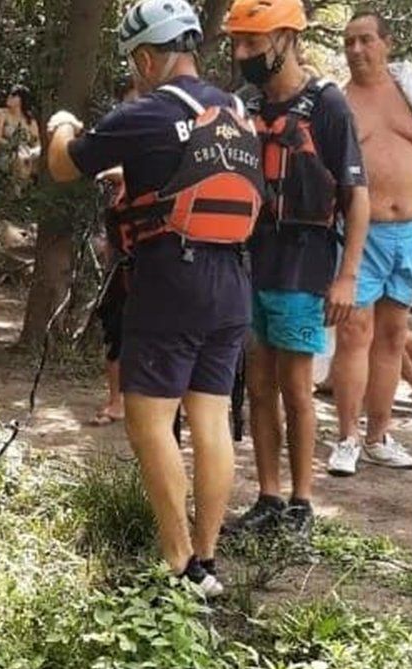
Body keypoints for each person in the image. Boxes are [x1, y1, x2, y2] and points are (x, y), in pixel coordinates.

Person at [47, 0, 263, 596]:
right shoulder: (237, 112)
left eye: (132, 62)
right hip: (232, 279)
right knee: (211, 418)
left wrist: (61, 123)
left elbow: (64, 165)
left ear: (145, 57)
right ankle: (208, 561)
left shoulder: (147, 111)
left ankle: (179, 563)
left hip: (171, 280)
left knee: (149, 422)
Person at [223, 0, 370, 536]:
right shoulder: (244, 105)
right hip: (250, 260)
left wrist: (347, 275)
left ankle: (302, 502)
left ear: (285, 38)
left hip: (304, 264)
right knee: (258, 385)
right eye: (237, 43)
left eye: (252, 42)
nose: (243, 53)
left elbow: (356, 196)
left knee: (296, 385)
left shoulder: (326, 104)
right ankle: (268, 497)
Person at [327, 9, 412, 477]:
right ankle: (347, 437)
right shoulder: (340, 104)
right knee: (353, 333)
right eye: (349, 42)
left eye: (366, 40)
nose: (356, 49)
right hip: (361, 232)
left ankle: (379, 437)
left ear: (388, 43)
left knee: (392, 334)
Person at [89, 78, 140, 427]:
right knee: (116, 330)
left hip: (154, 264)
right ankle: (116, 400)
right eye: (127, 104)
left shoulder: (166, 144)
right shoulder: (117, 148)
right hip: (119, 262)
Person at [0, 84, 41, 191]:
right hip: (5, 151)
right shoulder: (1, 113)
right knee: (20, 158)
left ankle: (32, 188)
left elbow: (36, 142)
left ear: (22, 99)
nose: (9, 96)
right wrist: (15, 147)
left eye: (13, 95)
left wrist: (32, 152)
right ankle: (20, 190)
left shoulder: (30, 121)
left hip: (27, 152)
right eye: (9, 94)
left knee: (36, 157)